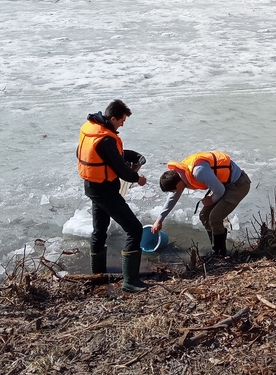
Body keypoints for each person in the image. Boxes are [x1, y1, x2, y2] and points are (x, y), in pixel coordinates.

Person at [76, 99, 150, 292]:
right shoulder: (106, 139)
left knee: (99, 231)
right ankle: (130, 281)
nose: (122, 124)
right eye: (122, 121)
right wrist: (138, 178)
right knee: (134, 229)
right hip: (105, 190)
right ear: (113, 118)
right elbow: (122, 171)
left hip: (92, 187)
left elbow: (93, 154)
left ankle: (97, 276)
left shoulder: (91, 129)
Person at [151, 151, 251, 257]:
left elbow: (220, 191)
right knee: (204, 216)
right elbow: (172, 199)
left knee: (215, 217)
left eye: (173, 190)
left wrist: (211, 200)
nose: (174, 193)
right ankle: (216, 247)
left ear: (178, 183)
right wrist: (159, 220)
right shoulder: (179, 176)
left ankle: (220, 253)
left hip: (238, 184)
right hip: (223, 184)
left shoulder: (198, 172)